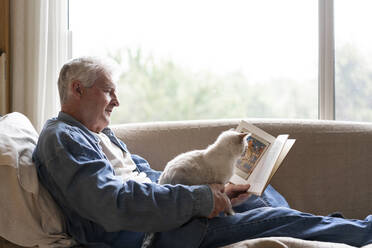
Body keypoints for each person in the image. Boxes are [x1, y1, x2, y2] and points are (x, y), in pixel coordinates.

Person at [33, 57, 372, 248]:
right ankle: (360, 232)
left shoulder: (99, 135)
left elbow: (147, 178)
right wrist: (200, 200)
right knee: (271, 218)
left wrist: (214, 189)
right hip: (154, 235)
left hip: (169, 215)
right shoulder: (61, 139)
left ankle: (333, 229)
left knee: (258, 194)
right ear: (77, 89)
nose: (117, 101)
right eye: (109, 92)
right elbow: (113, 204)